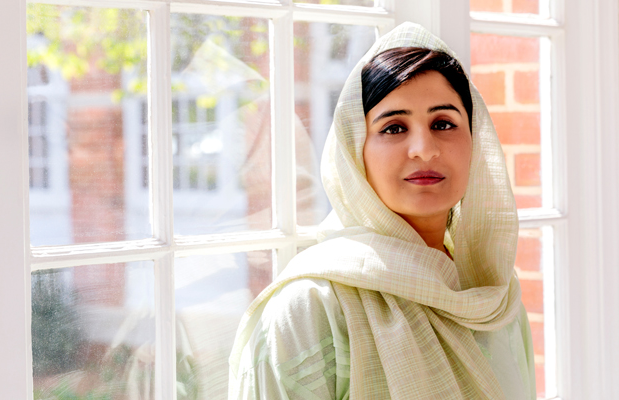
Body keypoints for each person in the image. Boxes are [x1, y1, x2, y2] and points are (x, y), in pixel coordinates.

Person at [228, 22, 535, 399]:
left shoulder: (495, 297)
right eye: (393, 128)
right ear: (355, 153)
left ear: (475, 141)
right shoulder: (312, 306)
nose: (424, 148)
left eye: (443, 123)